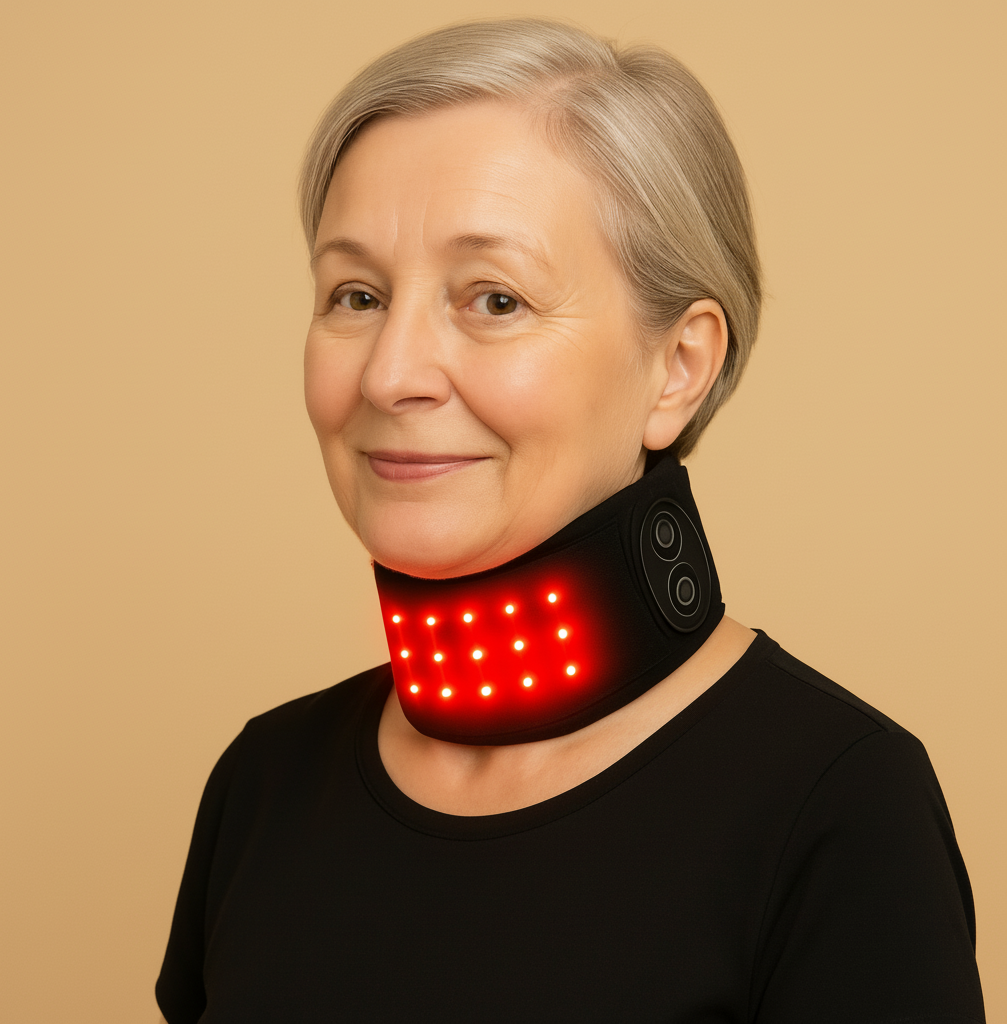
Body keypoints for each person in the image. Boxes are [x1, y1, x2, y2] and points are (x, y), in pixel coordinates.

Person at [156, 19, 984, 1023]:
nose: (389, 373)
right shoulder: (263, 784)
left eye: (495, 299)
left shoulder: (838, 805)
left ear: (677, 369)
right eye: (357, 294)